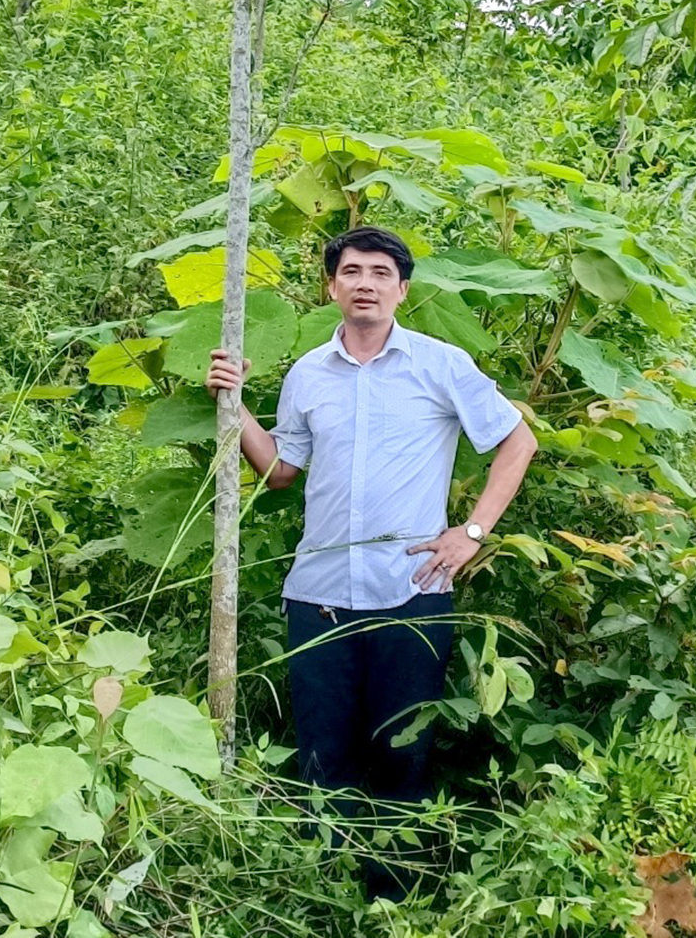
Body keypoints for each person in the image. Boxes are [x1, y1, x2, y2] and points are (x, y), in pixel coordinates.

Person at [206, 223, 538, 896]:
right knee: (323, 756)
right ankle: (322, 893)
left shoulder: (440, 364)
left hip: (411, 593)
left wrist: (469, 532)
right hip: (319, 595)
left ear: (402, 288)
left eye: (381, 273)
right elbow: (280, 470)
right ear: (331, 285)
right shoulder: (307, 373)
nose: (366, 283)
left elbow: (518, 440)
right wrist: (234, 403)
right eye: (352, 270)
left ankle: (395, 900)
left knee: (401, 754)